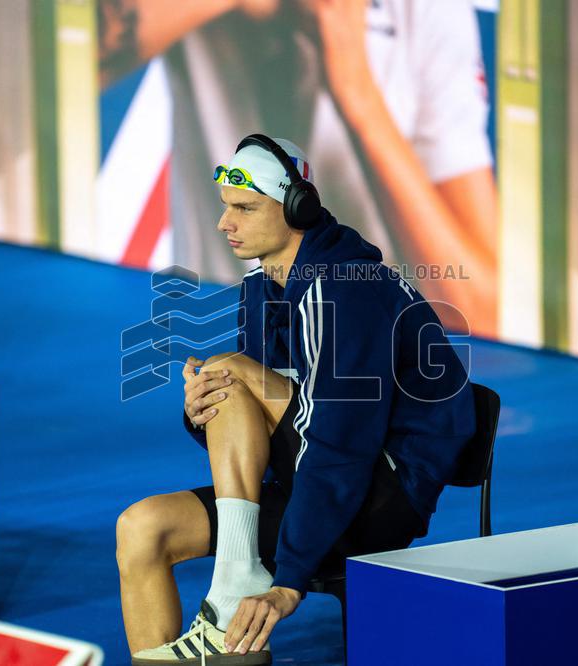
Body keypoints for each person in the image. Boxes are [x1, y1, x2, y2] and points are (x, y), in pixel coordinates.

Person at [116, 135, 477, 663]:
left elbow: (341, 444)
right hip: (312, 477)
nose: (225, 223)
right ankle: (237, 579)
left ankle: (240, 576)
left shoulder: (346, 291)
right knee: (142, 528)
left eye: (245, 207)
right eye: (225, 207)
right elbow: (252, 421)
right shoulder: (263, 285)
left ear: (296, 209)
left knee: (231, 368)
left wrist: (291, 578)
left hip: (379, 494)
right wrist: (200, 412)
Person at [98, 0, 498, 336]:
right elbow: (51, 72)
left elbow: (478, 312)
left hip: (370, 365)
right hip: (224, 345)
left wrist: (356, 90)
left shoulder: (429, 12)